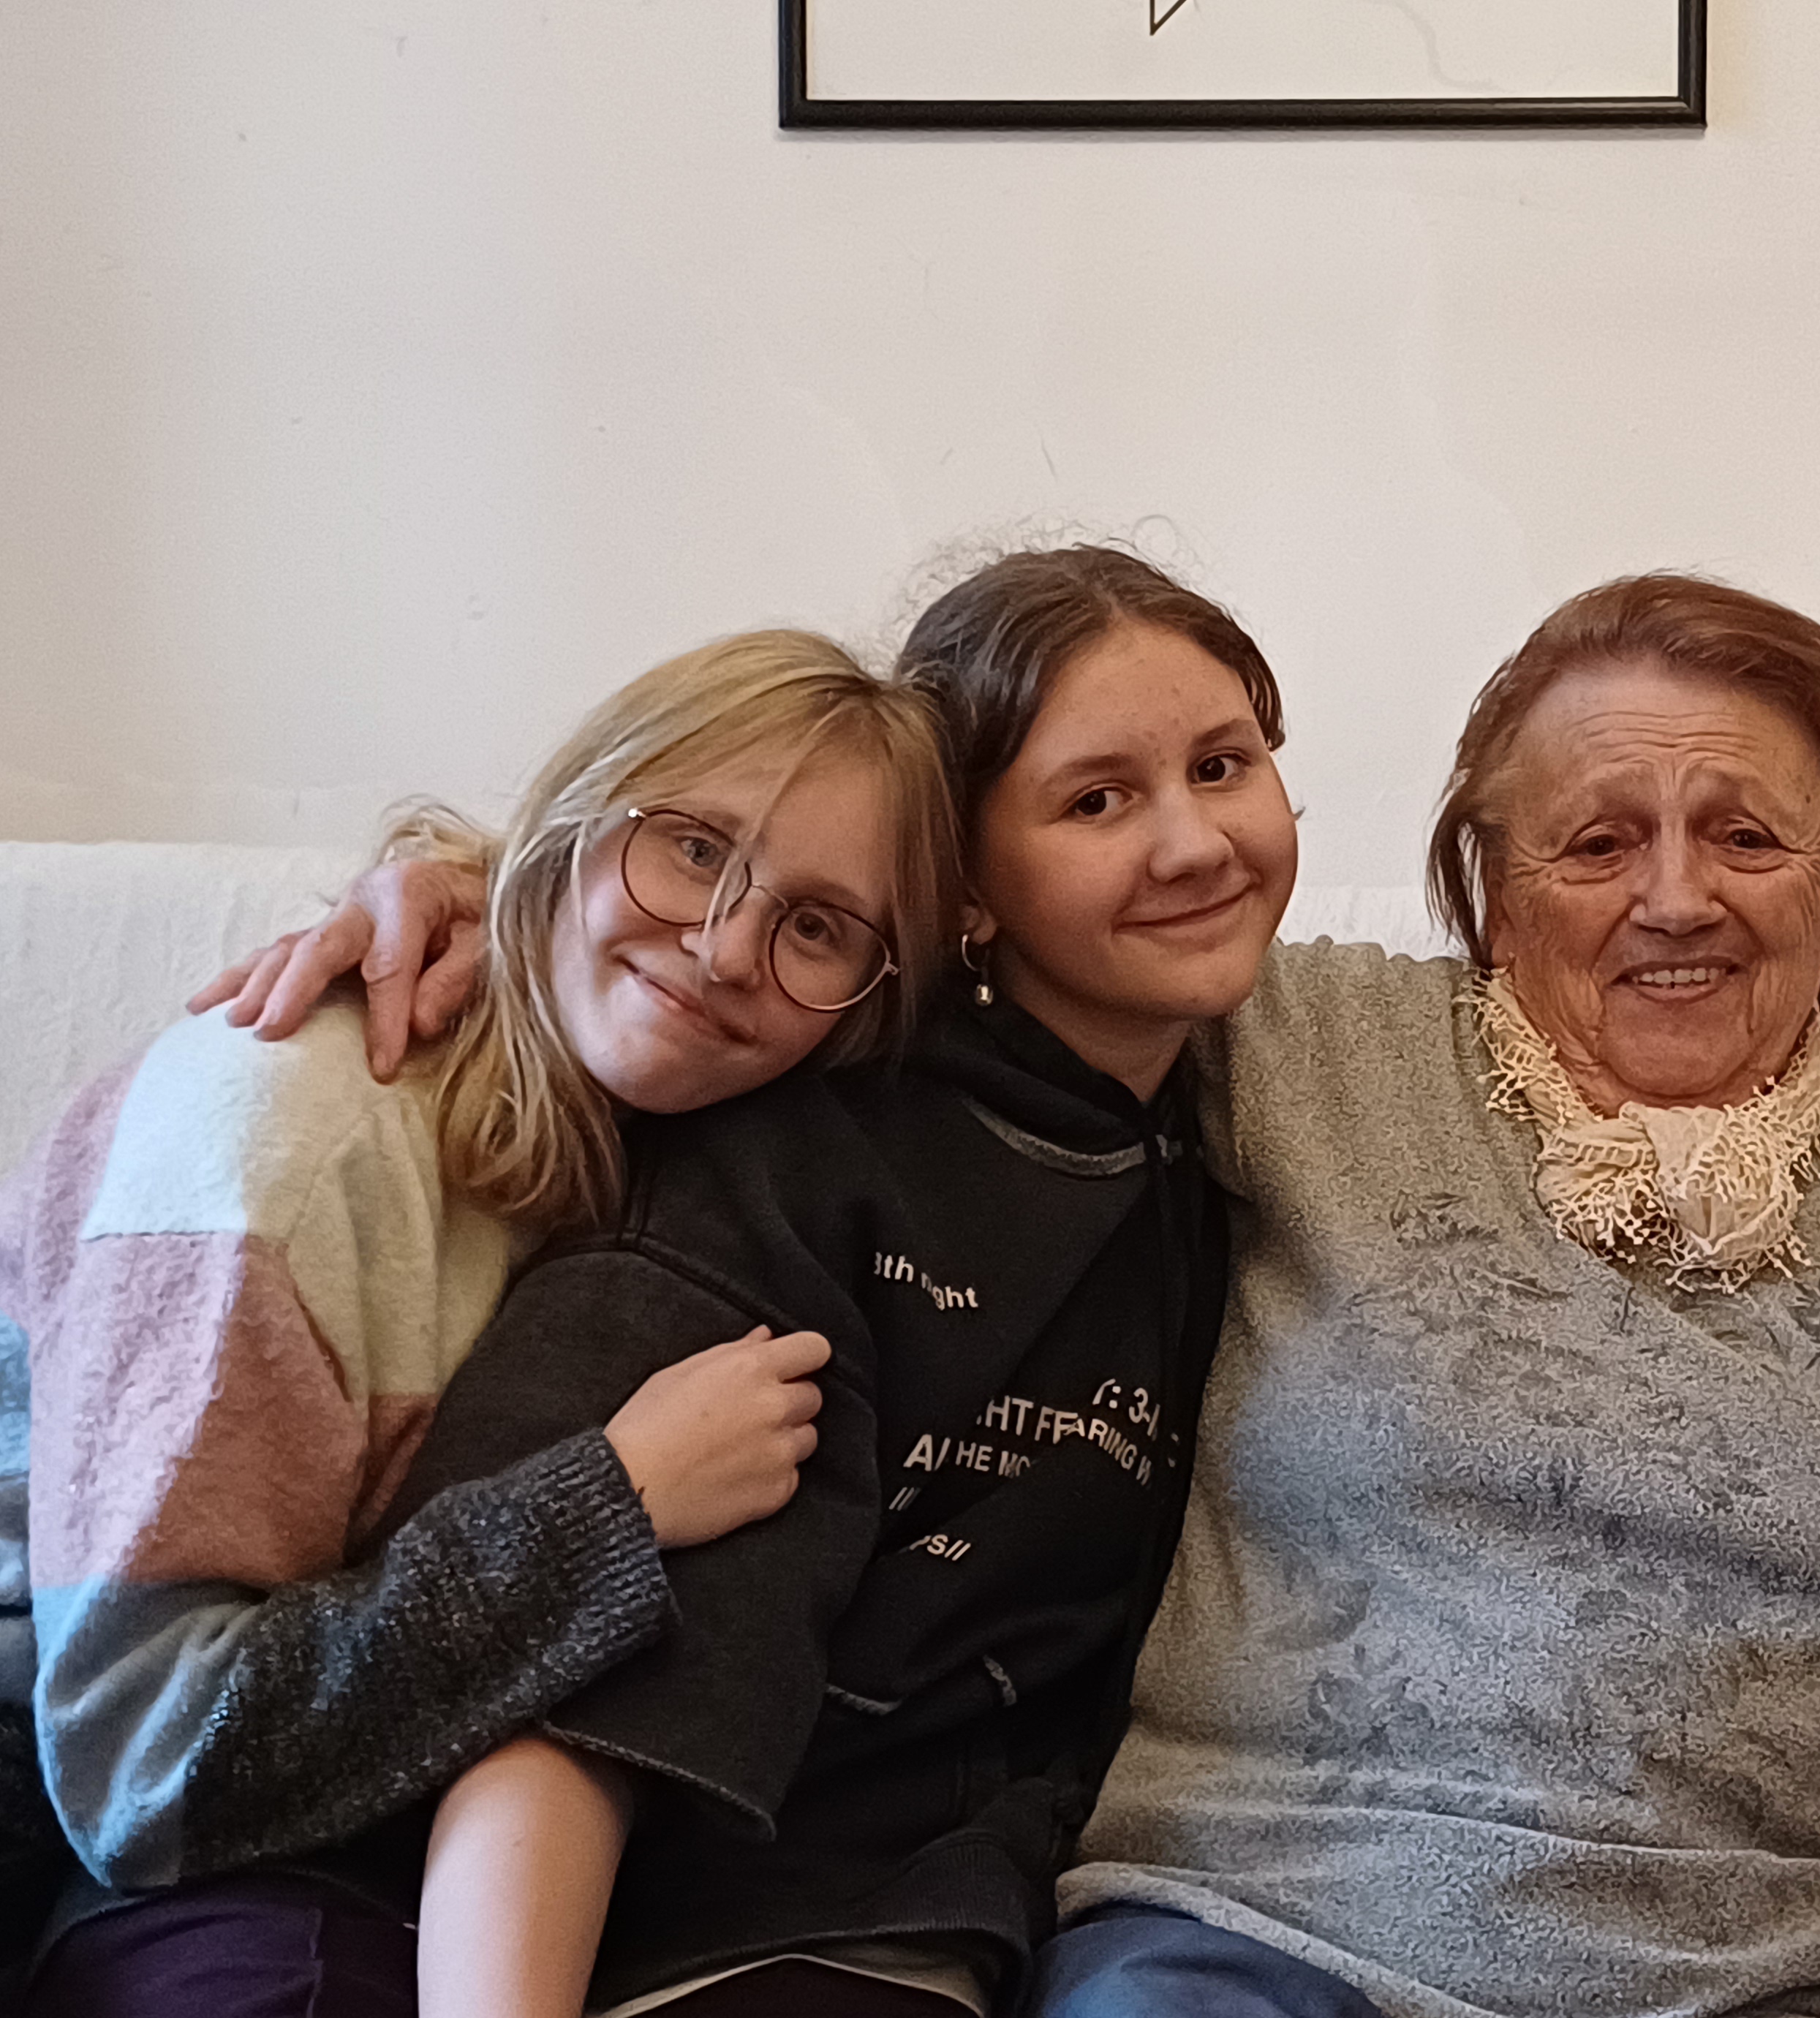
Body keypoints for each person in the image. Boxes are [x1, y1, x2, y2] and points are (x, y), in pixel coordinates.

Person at [222, 569, 1820, 2018]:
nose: (1675, 897)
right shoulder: (1289, 1051)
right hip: (1259, 1936)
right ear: (1480, 886)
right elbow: (897, 879)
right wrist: (492, 880)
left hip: (1808, 1976)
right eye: (1594, 841)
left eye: (1749, 836)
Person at [209, 547, 1302, 2018]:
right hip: (709, 1917)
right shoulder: (797, 1161)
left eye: (1223, 766)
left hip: (994, 1895)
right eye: (1095, 800)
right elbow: (583, 1708)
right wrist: (481, 880)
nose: (1191, 845)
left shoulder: (1258, 1096)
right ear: (964, 890)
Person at [0, 628, 961, 2016]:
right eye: (693, 848)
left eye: (815, 925)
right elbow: (140, 1766)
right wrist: (610, 1505)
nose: (723, 950)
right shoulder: (294, 1139)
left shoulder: (684, 1124)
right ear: (575, 818)